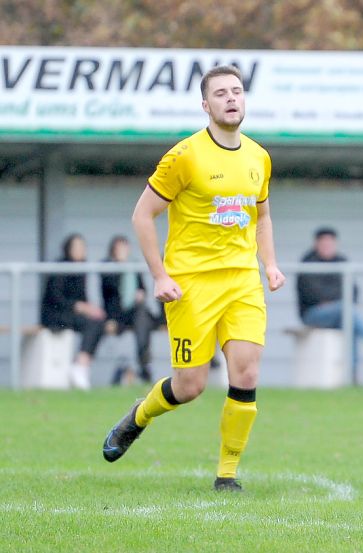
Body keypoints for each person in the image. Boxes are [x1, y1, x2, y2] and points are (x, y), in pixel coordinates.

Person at [102, 65, 286, 492]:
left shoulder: (259, 157)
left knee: (246, 373)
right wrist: (160, 275)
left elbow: (262, 216)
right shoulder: (185, 155)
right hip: (191, 284)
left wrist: (270, 264)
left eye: (237, 91)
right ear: (206, 105)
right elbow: (142, 215)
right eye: (220, 93)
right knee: (190, 386)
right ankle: (138, 417)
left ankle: (227, 475)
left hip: (242, 281)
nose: (231, 99)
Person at [296, 227, 363, 366]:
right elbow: (312, 293)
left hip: (340, 312)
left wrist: (332, 301)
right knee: (347, 310)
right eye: (323, 243)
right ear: (316, 244)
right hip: (312, 314)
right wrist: (337, 300)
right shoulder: (308, 263)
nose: (327, 246)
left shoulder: (342, 261)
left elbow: (354, 292)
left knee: (351, 323)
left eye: (330, 243)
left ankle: (351, 377)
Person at [40, 233, 106, 390]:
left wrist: (90, 308)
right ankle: (80, 366)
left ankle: (81, 365)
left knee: (98, 320)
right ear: (68, 249)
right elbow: (55, 298)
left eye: (82, 247)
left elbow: (82, 298)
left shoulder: (81, 269)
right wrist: (79, 306)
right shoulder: (60, 267)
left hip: (72, 314)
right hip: (55, 315)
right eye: (77, 247)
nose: (80, 250)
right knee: (92, 322)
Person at [101, 235, 162, 385]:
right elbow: (109, 293)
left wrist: (140, 294)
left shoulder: (134, 266)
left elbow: (143, 288)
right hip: (118, 315)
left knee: (142, 315)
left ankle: (143, 361)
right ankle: (143, 363)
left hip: (136, 312)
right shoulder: (107, 267)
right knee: (142, 319)